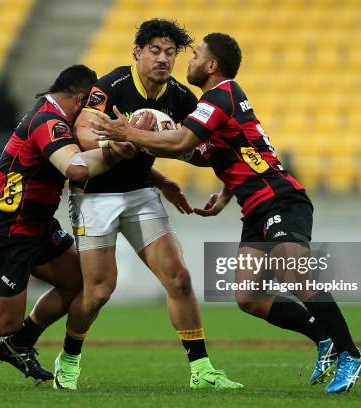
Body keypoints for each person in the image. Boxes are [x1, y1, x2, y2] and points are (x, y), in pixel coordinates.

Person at [91, 32, 361, 394]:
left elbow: (180, 143)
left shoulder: (221, 95)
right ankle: (323, 338)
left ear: (211, 65)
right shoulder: (217, 103)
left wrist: (127, 131)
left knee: (294, 276)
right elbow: (235, 151)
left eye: (194, 56)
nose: (186, 62)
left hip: (280, 198)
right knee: (249, 297)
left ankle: (351, 353)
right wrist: (226, 193)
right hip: (255, 206)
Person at [51, 19, 242, 391]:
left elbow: (200, 145)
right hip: (95, 197)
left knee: (179, 277)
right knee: (99, 292)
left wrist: (209, 174)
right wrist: (110, 145)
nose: (163, 59)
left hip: (140, 192)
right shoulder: (111, 86)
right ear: (137, 52)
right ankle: (69, 357)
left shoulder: (179, 97)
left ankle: (201, 370)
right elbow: (84, 129)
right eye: (155, 50)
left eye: (170, 52)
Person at [0, 65, 133, 387]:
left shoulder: (56, 119)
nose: (94, 113)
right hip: (4, 231)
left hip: (36, 227)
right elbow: (77, 169)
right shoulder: (47, 121)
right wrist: (114, 151)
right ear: (81, 99)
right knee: (3, 320)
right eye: (92, 105)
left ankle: (20, 343)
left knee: (81, 282)